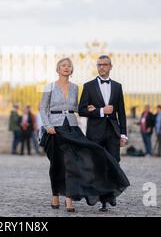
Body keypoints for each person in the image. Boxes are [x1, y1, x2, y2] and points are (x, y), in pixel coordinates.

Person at [41, 57, 129, 213]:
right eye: (63, 65)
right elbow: (42, 108)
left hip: (72, 127)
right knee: (57, 163)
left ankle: (70, 198)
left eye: (69, 66)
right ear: (58, 69)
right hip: (55, 128)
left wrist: (91, 109)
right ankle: (55, 194)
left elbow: (78, 108)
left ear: (72, 70)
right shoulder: (49, 87)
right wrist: (48, 126)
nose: (66, 68)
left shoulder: (75, 87)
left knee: (72, 164)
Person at [78, 55, 130, 212]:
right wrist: (101, 111)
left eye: (104, 65)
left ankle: (110, 194)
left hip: (113, 132)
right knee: (98, 165)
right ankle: (104, 200)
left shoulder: (117, 86)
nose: (101, 67)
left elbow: (121, 112)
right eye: (99, 65)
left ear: (110, 67)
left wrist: (123, 134)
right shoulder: (88, 86)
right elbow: (81, 110)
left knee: (114, 162)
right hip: (95, 133)